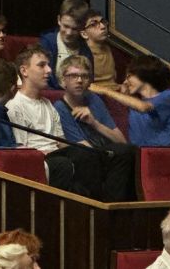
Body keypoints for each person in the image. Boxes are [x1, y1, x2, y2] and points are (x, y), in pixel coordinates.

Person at [7, 44, 103, 198]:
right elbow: (21, 149)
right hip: (39, 158)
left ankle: (93, 204)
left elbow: (60, 142)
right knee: (68, 163)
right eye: (41, 65)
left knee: (88, 154)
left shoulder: (47, 104)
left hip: (57, 155)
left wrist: (81, 149)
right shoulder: (14, 105)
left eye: (48, 65)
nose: (49, 70)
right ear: (24, 71)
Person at [53, 55, 137, 201]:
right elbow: (84, 148)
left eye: (84, 76)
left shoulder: (94, 99)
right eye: (73, 76)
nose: (80, 80)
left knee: (128, 150)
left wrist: (94, 123)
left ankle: (117, 206)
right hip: (85, 156)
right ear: (63, 81)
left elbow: (121, 140)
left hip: (104, 152)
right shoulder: (60, 107)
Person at [90, 55, 170, 147]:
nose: (125, 82)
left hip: (167, 150)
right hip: (140, 152)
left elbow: (144, 107)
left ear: (144, 73)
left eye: (129, 76)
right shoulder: (134, 102)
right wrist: (124, 96)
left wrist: (105, 90)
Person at [39, 0, 93, 89]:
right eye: (66, 26)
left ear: (82, 27)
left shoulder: (85, 51)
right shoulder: (47, 43)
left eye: (74, 29)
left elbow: (88, 80)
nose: (69, 33)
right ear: (59, 20)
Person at [79, 9, 118, 90]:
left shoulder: (109, 49)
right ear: (84, 34)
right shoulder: (82, 56)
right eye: (93, 24)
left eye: (103, 21)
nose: (103, 26)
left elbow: (113, 82)